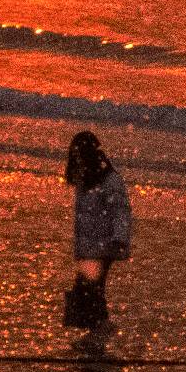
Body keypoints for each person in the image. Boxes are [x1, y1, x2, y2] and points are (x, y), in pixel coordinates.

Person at [64, 130, 133, 340]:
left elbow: (121, 211)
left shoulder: (109, 180)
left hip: (104, 246)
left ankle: (101, 328)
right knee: (87, 288)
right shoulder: (86, 179)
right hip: (90, 246)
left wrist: (119, 238)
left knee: (91, 288)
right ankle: (96, 329)